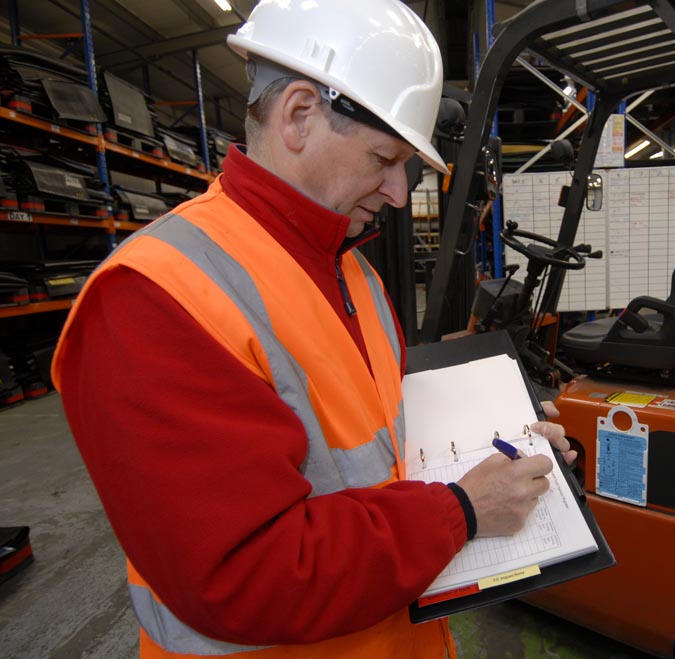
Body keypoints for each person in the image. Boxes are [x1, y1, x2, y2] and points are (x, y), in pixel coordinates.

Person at [50, 1, 575, 658]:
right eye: (384, 158)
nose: (396, 192)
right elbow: (246, 574)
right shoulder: (154, 296)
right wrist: (461, 510)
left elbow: (375, 438)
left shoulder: (351, 271)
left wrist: (501, 428)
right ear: (299, 115)